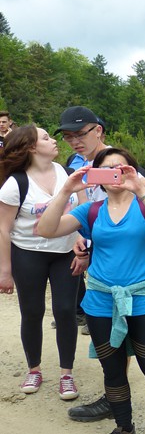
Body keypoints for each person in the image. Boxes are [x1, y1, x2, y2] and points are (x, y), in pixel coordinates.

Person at [38, 147, 145, 434]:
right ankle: (124, 427)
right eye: (106, 169)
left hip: (143, 299)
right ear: (96, 176)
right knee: (112, 371)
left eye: (120, 168)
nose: (114, 174)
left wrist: (140, 189)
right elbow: (46, 229)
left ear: (132, 172)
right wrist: (66, 190)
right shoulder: (91, 210)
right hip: (100, 301)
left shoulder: (144, 205)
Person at [54, 106, 145, 424]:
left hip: (130, 254)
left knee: (124, 326)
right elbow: (83, 206)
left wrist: (131, 180)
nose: (74, 141)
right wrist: (82, 238)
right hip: (99, 250)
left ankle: (114, 400)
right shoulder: (75, 164)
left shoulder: (118, 161)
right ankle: (115, 399)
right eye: (68, 136)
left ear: (98, 130)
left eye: (80, 133)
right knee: (109, 328)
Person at [0, 124, 82, 400]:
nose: (54, 140)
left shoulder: (67, 173)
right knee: (32, 312)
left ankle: (66, 374)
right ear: (32, 147)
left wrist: (81, 241)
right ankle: (33, 369)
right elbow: (3, 229)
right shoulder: (16, 183)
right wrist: (4, 271)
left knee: (66, 310)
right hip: (27, 253)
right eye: (46, 137)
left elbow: (82, 211)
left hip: (66, 252)